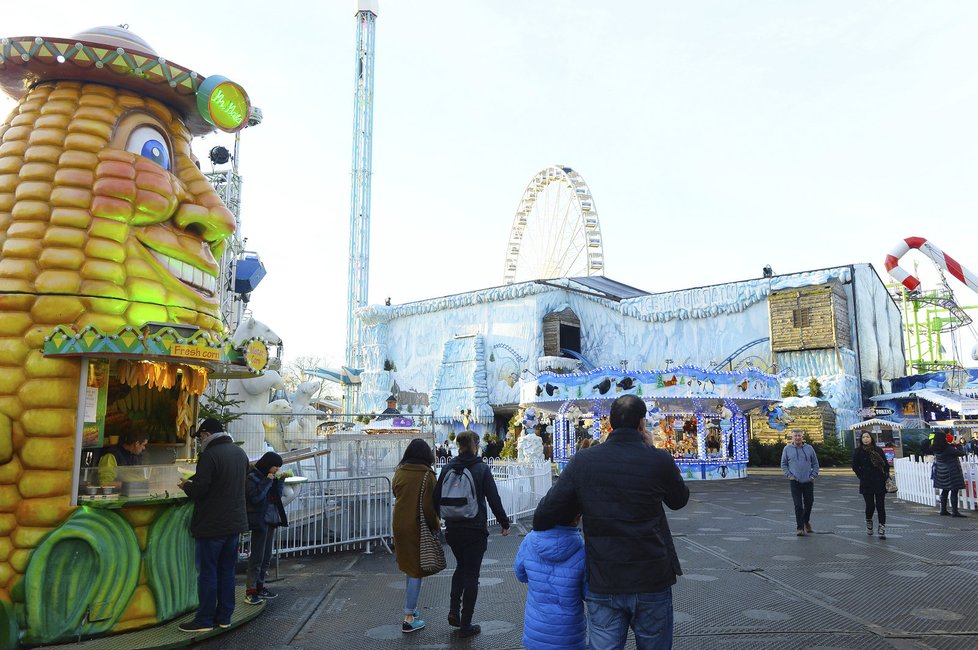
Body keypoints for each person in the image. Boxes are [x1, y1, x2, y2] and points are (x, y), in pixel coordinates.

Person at [533, 394, 689, 650]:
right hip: (652, 577)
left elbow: (544, 515)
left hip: (605, 580)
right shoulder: (658, 459)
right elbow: (679, 500)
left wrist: (582, 503)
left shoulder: (585, 461)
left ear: (609, 424)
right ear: (642, 423)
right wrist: (651, 452)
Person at [434, 430, 511, 639]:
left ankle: (453, 610)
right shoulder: (481, 468)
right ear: (476, 445)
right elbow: (493, 498)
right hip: (475, 529)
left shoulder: (448, 467)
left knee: (461, 566)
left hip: (453, 529)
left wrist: (441, 520)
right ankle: (466, 623)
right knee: (472, 575)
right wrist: (504, 522)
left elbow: (436, 497)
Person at [177, 418, 250, 633]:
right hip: (234, 523)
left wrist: (186, 485)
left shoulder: (209, 456)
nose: (200, 440)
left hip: (211, 525)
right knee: (227, 571)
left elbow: (201, 488)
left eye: (200, 436)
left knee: (208, 572)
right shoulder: (239, 454)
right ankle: (225, 617)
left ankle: (204, 619)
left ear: (207, 434)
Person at [514, 512, 586, 650]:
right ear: (576, 518)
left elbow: (520, 574)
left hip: (536, 629)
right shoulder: (583, 549)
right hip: (569, 634)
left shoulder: (529, 540)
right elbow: (587, 593)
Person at [391, 439, 440, 634]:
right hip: (417, 526)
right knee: (416, 571)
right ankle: (409, 618)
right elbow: (430, 507)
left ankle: (411, 609)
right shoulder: (427, 476)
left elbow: (396, 492)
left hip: (399, 525)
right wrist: (435, 525)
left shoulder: (400, 472)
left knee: (408, 567)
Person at [245, 452, 289, 605]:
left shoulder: (268, 477)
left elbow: (276, 495)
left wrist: (280, 481)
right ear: (267, 464)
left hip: (271, 518)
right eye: (275, 466)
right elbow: (255, 498)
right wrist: (267, 481)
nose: (277, 469)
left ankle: (260, 586)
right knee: (257, 556)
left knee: (266, 555)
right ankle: (250, 591)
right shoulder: (252, 477)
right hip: (259, 519)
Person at [851, 431, 891, 539]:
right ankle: (869, 521)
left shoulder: (878, 450)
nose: (865, 439)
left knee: (880, 505)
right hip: (866, 481)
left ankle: (882, 526)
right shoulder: (858, 451)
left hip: (879, 480)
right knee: (870, 505)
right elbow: (855, 466)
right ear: (861, 439)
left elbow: (885, 465)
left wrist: (885, 475)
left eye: (867, 437)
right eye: (863, 437)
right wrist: (861, 476)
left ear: (871, 438)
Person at [781, 430, 820, 536]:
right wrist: (789, 475)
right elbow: (784, 464)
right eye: (795, 436)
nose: (797, 438)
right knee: (798, 505)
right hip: (795, 481)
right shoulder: (787, 449)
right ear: (792, 437)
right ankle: (800, 527)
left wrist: (813, 475)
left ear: (802, 437)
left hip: (808, 481)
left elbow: (815, 463)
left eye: (799, 436)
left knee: (809, 503)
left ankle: (806, 521)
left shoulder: (809, 448)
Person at [932, 432, 967, 518]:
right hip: (952, 472)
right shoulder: (947, 448)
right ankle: (955, 511)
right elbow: (962, 453)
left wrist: (951, 445)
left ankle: (943, 510)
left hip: (941, 472)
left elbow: (948, 450)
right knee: (954, 491)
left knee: (945, 490)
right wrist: (958, 444)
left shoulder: (936, 448)